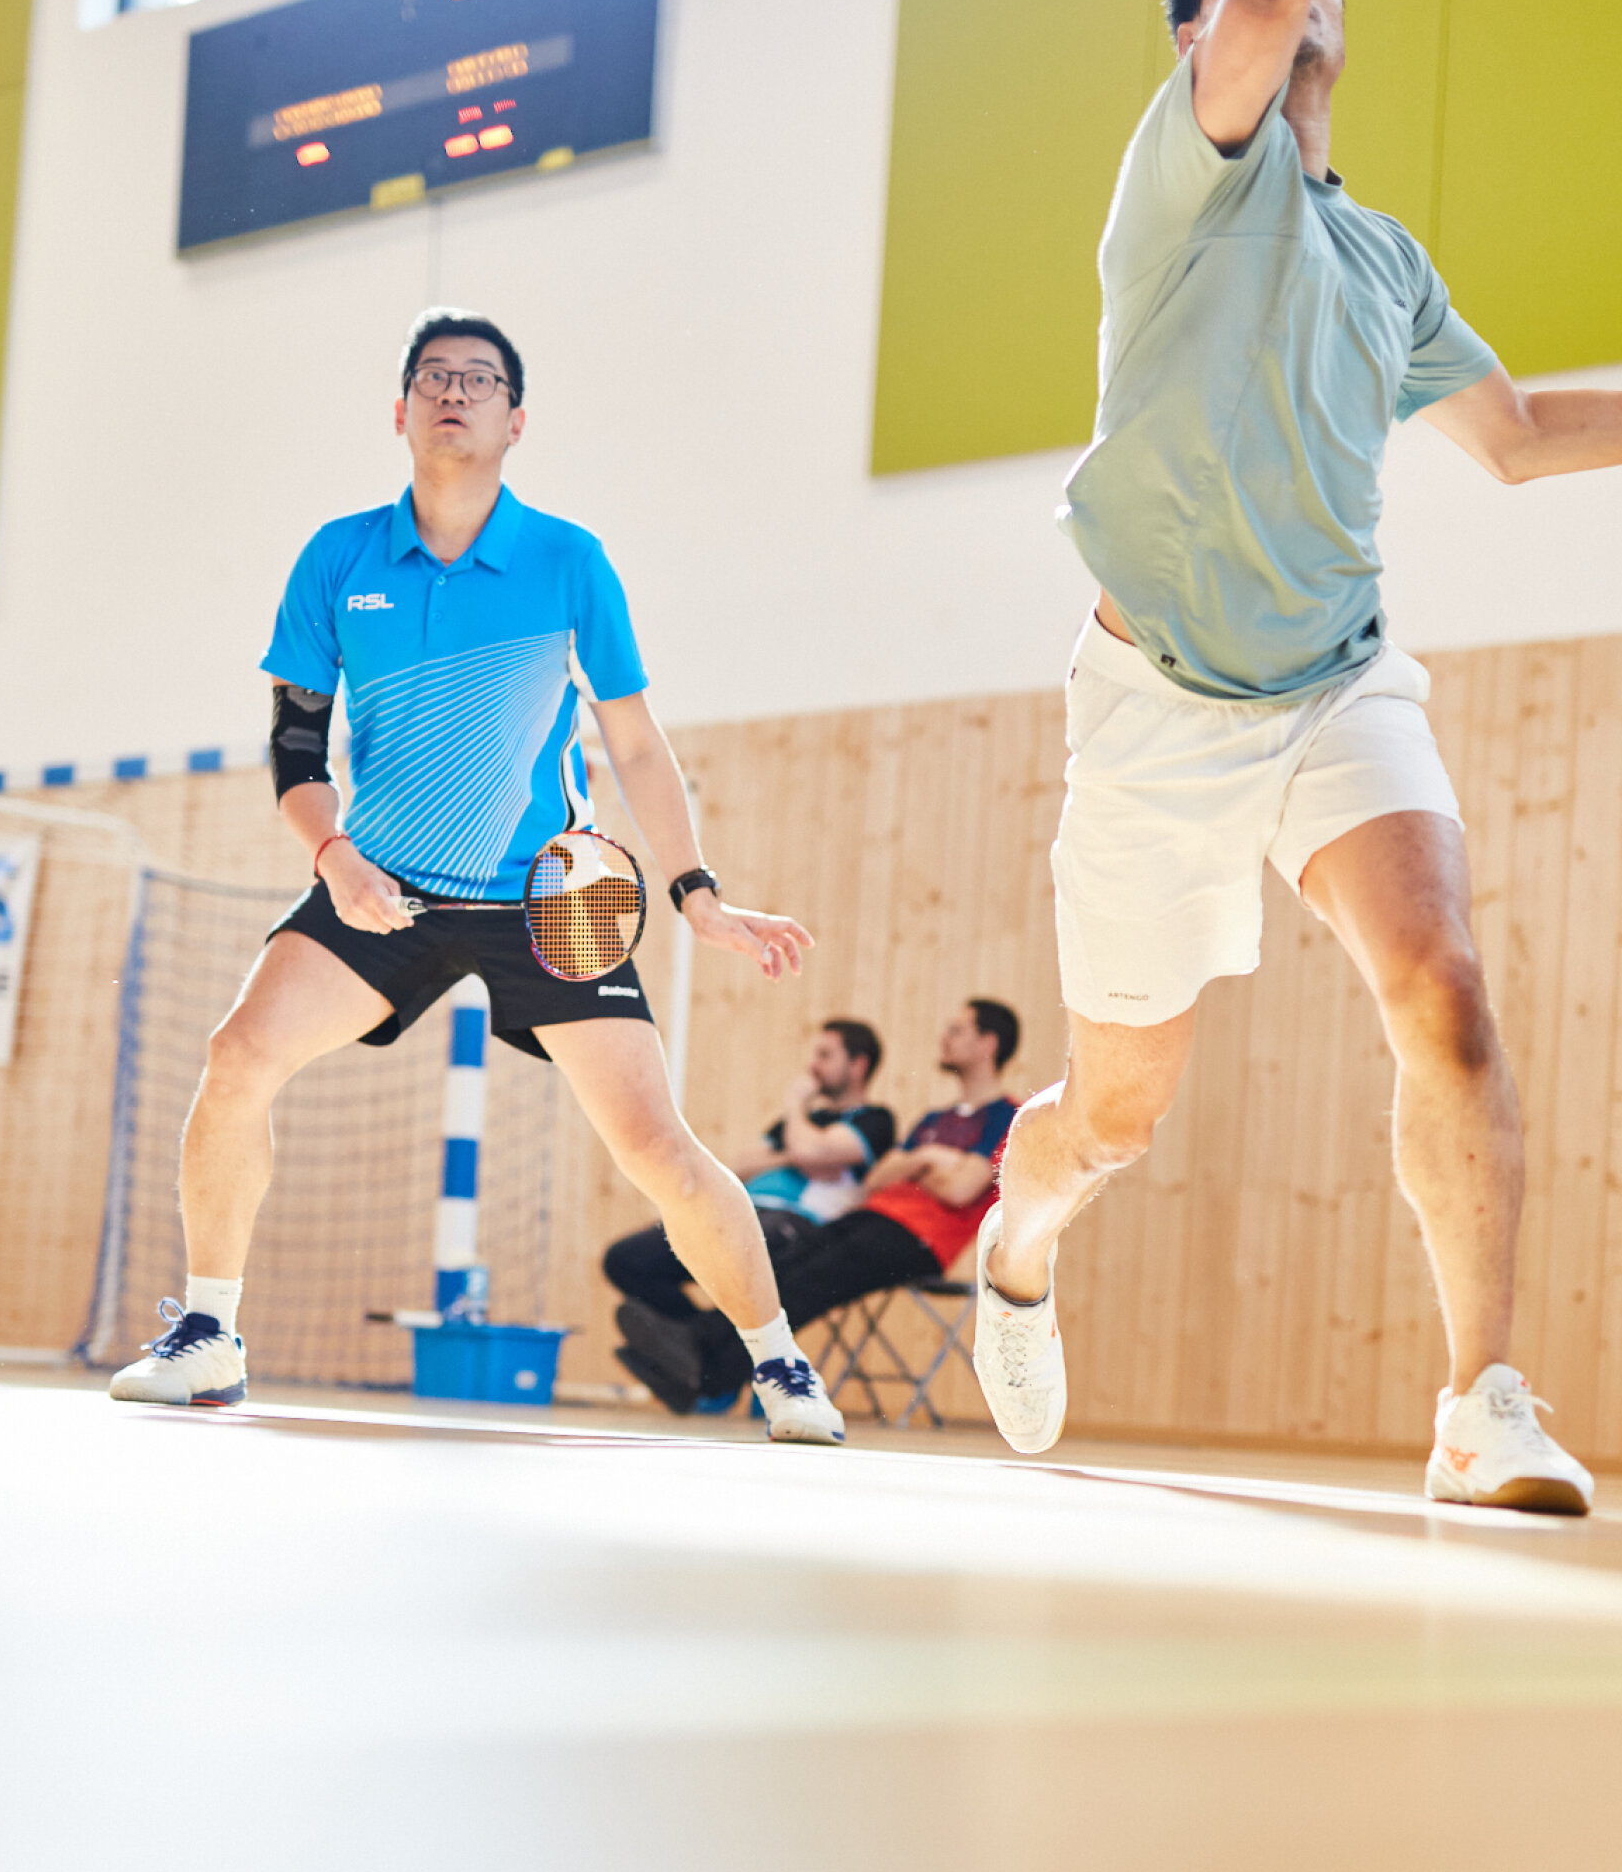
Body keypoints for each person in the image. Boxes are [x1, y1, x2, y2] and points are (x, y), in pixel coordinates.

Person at [969, 0, 1622, 1514]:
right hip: (1160, 707)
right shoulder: (1189, 180)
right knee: (1117, 1115)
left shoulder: (1383, 262)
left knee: (1448, 989)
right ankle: (1018, 1249)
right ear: (1200, 35)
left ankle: (1480, 1401)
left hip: (1336, 683)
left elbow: (1525, 438)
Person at [109, 306, 845, 1443]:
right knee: (237, 1056)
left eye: (480, 379)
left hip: (547, 897)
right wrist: (333, 857)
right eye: (434, 377)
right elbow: (296, 749)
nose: (455, 392)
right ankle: (208, 1335)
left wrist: (698, 891)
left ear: (516, 420)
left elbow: (635, 741)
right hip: (384, 882)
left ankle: (779, 1364)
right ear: (400, 411)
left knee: (654, 1143)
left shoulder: (567, 560)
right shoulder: (338, 558)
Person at [618, 999, 1020, 1407]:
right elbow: (877, 1179)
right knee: (782, 1270)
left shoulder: (1007, 1118)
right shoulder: (934, 1120)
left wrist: (915, 1163)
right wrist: (929, 1160)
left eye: (957, 1030)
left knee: (808, 1281)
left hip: (921, 1239)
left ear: (988, 1044)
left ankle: (704, 1360)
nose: (944, 1038)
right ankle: (704, 1368)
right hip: (871, 1215)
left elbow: (961, 1190)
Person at [604, 1017, 895, 1407]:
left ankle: (703, 1368)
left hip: (795, 1226)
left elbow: (811, 1151)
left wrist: (796, 1110)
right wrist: (798, 1155)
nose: (813, 1066)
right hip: (741, 1210)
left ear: (858, 1065)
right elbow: (740, 1166)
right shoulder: (801, 1125)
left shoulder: (874, 1120)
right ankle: (697, 1361)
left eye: (826, 1055)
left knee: (755, 1260)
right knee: (627, 1260)